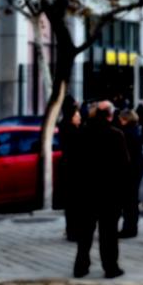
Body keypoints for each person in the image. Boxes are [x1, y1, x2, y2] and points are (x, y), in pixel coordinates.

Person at [73, 101, 130, 278]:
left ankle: (81, 266)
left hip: (86, 191)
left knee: (85, 233)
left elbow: (74, 164)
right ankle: (110, 267)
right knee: (109, 233)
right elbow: (124, 166)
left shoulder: (82, 133)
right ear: (110, 115)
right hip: (109, 193)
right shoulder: (116, 135)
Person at [117, 110, 143, 238]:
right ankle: (131, 227)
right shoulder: (135, 130)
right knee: (132, 200)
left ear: (125, 119)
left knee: (129, 201)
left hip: (130, 170)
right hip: (137, 168)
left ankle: (129, 228)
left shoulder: (126, 133)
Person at [58, 97, 82, 241]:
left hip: (68, 167)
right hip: (74, 169)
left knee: (71, 202)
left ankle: (71, 230)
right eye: (77, 114)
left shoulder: (64, 125)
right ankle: (74, 231)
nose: (79, 116)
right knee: (75, 202)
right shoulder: (72, 130)